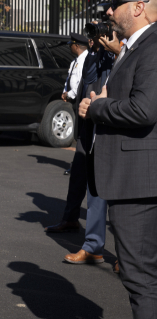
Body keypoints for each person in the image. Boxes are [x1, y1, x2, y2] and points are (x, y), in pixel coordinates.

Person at [79, 0, 157, 319]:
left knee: (140, 278)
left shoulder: (152, 45)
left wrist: (96, 108)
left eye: (115, 3)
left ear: (139, 7)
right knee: (144, 277)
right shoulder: (135, 47)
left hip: (138, 184)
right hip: (134, 179)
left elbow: (144, 110)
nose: (109, 11)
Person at [62, 30, 116, 266]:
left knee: (123, 201)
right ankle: (93, 246)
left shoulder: (137, 49)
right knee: (95, 190)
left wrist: (118, 51)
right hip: (94, 127)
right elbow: (89, 79)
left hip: (122, 131)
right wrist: (97, 50)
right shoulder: (99, 54)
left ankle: (127, 257)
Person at [45, 33, 90, 233]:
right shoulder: (76, 61)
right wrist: (67, 93)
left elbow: (81, 85)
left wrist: (71, 94)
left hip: (91, 118)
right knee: (78, 175)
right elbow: (71, 82)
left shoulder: (88, 59)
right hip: (79, 114)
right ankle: (70, 218)